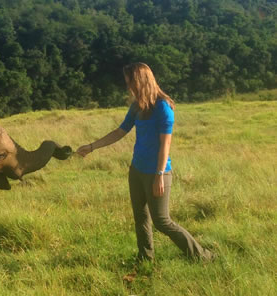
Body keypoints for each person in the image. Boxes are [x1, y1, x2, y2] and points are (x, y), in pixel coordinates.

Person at [77, 62, 213, 262]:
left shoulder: (163, 107)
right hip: (137, 170)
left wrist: (159, 175)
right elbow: (119, 132)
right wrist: (91, 147)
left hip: (157, 173)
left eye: (130, 82)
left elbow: (165, 145)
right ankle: (145, 258)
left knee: (162, 221)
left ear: (140, 81)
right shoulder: (137, 106)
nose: (128, 87)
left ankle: (202, 256)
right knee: (140, 218)